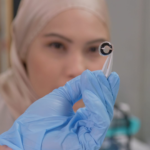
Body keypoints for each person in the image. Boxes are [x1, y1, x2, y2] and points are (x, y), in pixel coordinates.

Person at [0, 0, 149, 150]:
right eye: (57, 45)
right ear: (22, 52)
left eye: (93, 49)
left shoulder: (120, 135)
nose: (78, 69)